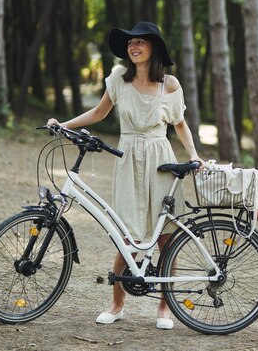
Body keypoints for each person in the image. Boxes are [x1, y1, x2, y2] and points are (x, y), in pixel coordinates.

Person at [47, 21, 203, 330]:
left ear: (153, 48)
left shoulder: (169, 84)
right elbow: (99, 113)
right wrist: (65, 125)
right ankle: (117, 304)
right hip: (129, 158)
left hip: (161, 160)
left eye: (141, 42)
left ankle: (165, 308)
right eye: (131, 43)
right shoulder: (119, 78)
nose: (134, 46)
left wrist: (194, 154)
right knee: (127, 236)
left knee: (165, 237)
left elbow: (180, 123)